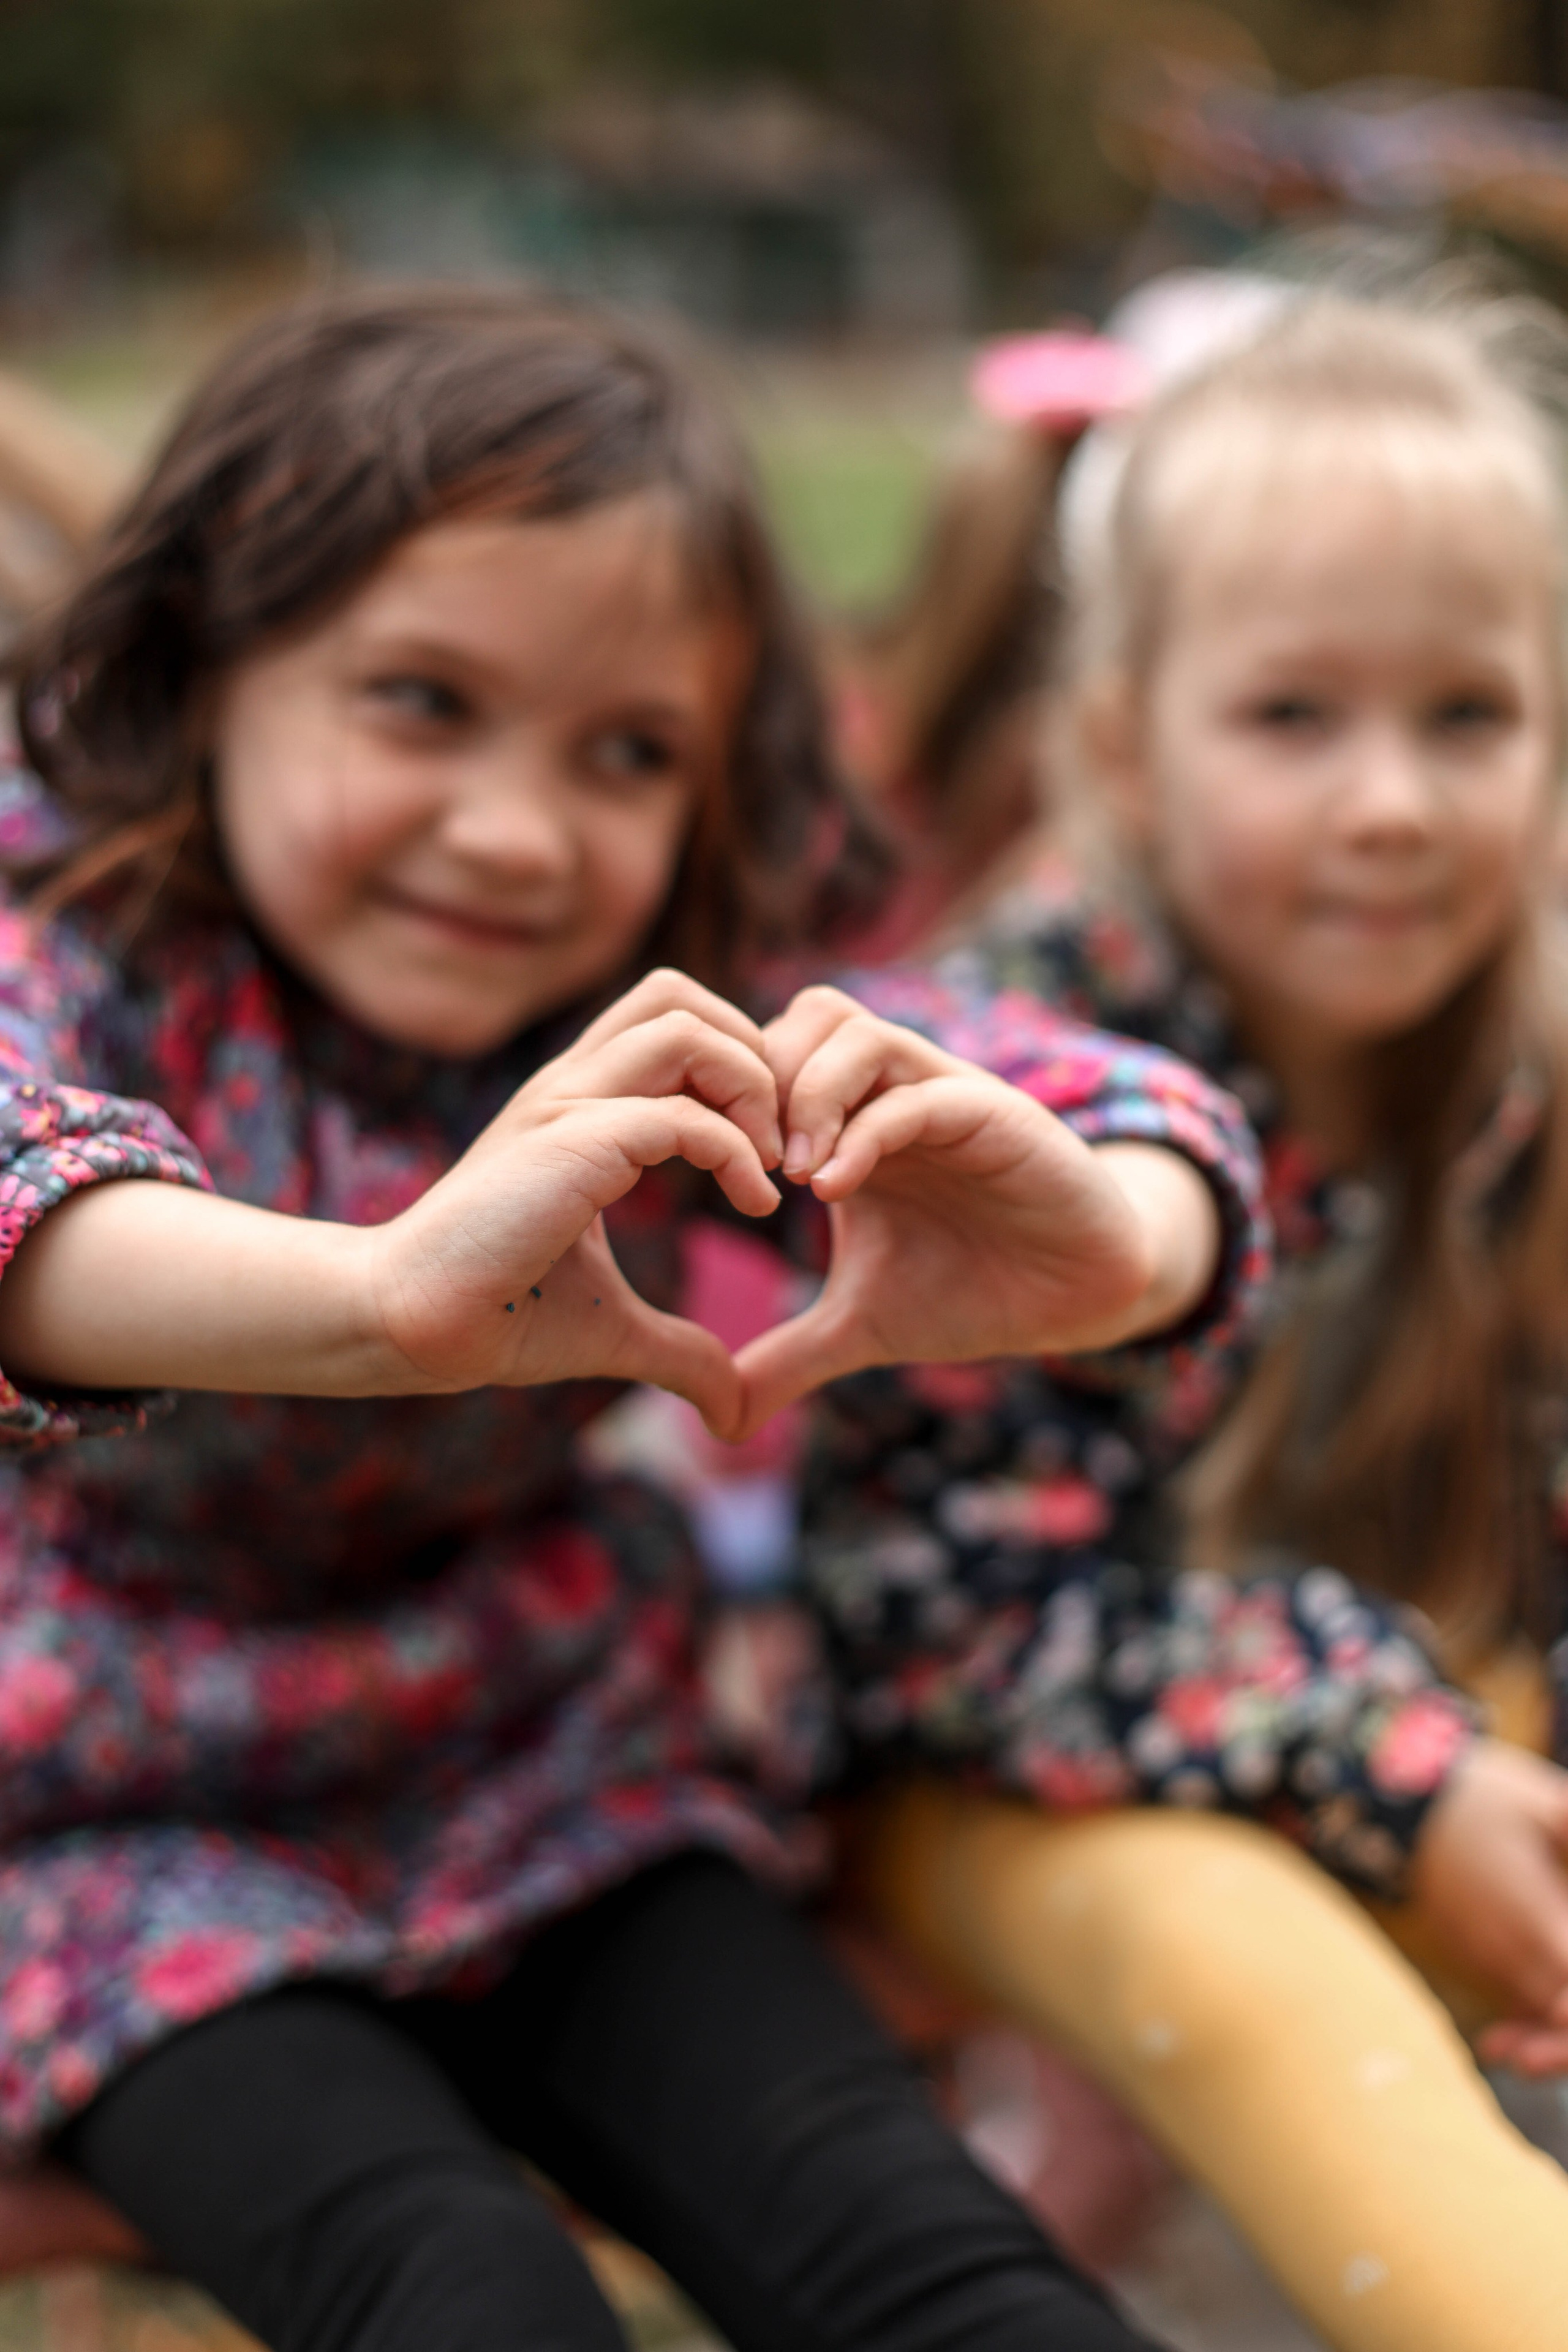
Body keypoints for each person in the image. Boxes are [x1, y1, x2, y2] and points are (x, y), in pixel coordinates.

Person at [0, 283, 1272, 2352]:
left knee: (932, 2262)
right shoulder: (74, 920)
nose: (515, 831)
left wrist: (1125, 1244)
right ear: (208, 671)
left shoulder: (675, 1011)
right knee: (460, 2284)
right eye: (420, 701)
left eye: (626, 753)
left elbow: (1094, 1094)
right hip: (114, 1838)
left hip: (551, 1769)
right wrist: (372, 1292)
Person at [797, 284, 1568, 2351]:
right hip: (977, 1762)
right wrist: (1389, 1765)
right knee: (1270, 2001)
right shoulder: (1015, 1084)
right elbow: (945, 1629)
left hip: (1346, 1692)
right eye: (1296, 718)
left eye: (1468, 718)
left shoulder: (1509, 1060)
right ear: (1129, 740)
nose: (1394, 802)